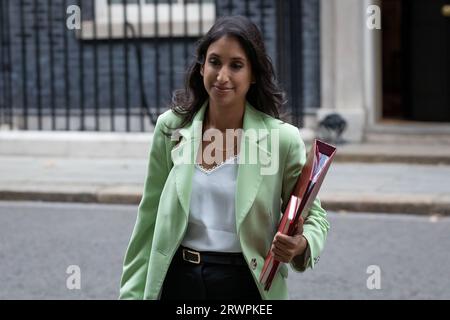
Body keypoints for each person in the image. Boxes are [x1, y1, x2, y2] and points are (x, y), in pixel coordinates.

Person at [119, 15, 330, 300]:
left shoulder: (281, 140)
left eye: (236, 65)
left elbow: (314, 215)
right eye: (214, 62)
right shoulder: (171, 128)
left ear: (253, 74)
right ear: (202, 65)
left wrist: (301, 244)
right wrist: (131, 294)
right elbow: (148, 221)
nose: (222, 76)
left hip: (246, 285)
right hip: (178, 281)